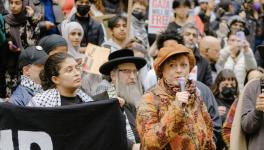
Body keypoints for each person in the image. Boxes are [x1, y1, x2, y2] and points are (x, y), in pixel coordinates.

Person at [136, 43, 216, 149]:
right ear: (162, 70)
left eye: (184, 65)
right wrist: (176, 108)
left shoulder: (194, 95)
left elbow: (208, 131)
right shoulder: (150, 99)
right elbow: (149, 142)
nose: (179, 70)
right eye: (172, 65)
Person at [96, 49, 147, 150]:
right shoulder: (101, 103)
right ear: (113, 75)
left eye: (135, 71)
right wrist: (131, 146)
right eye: (127, 71)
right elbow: (102, 135)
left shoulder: (139, 101)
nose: (133, 77)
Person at [28, 52, 93, 107]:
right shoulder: (40, 103)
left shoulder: (87, 100)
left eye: (77, 68)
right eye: (69, 70)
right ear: (55, 79)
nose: (77, 73)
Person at [223, 67, 264, 148]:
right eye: (251, 79)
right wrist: (235, 145)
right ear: (246, 83)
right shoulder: (240, 101)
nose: (254, 81)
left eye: (258, 78)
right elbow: (227, 129)